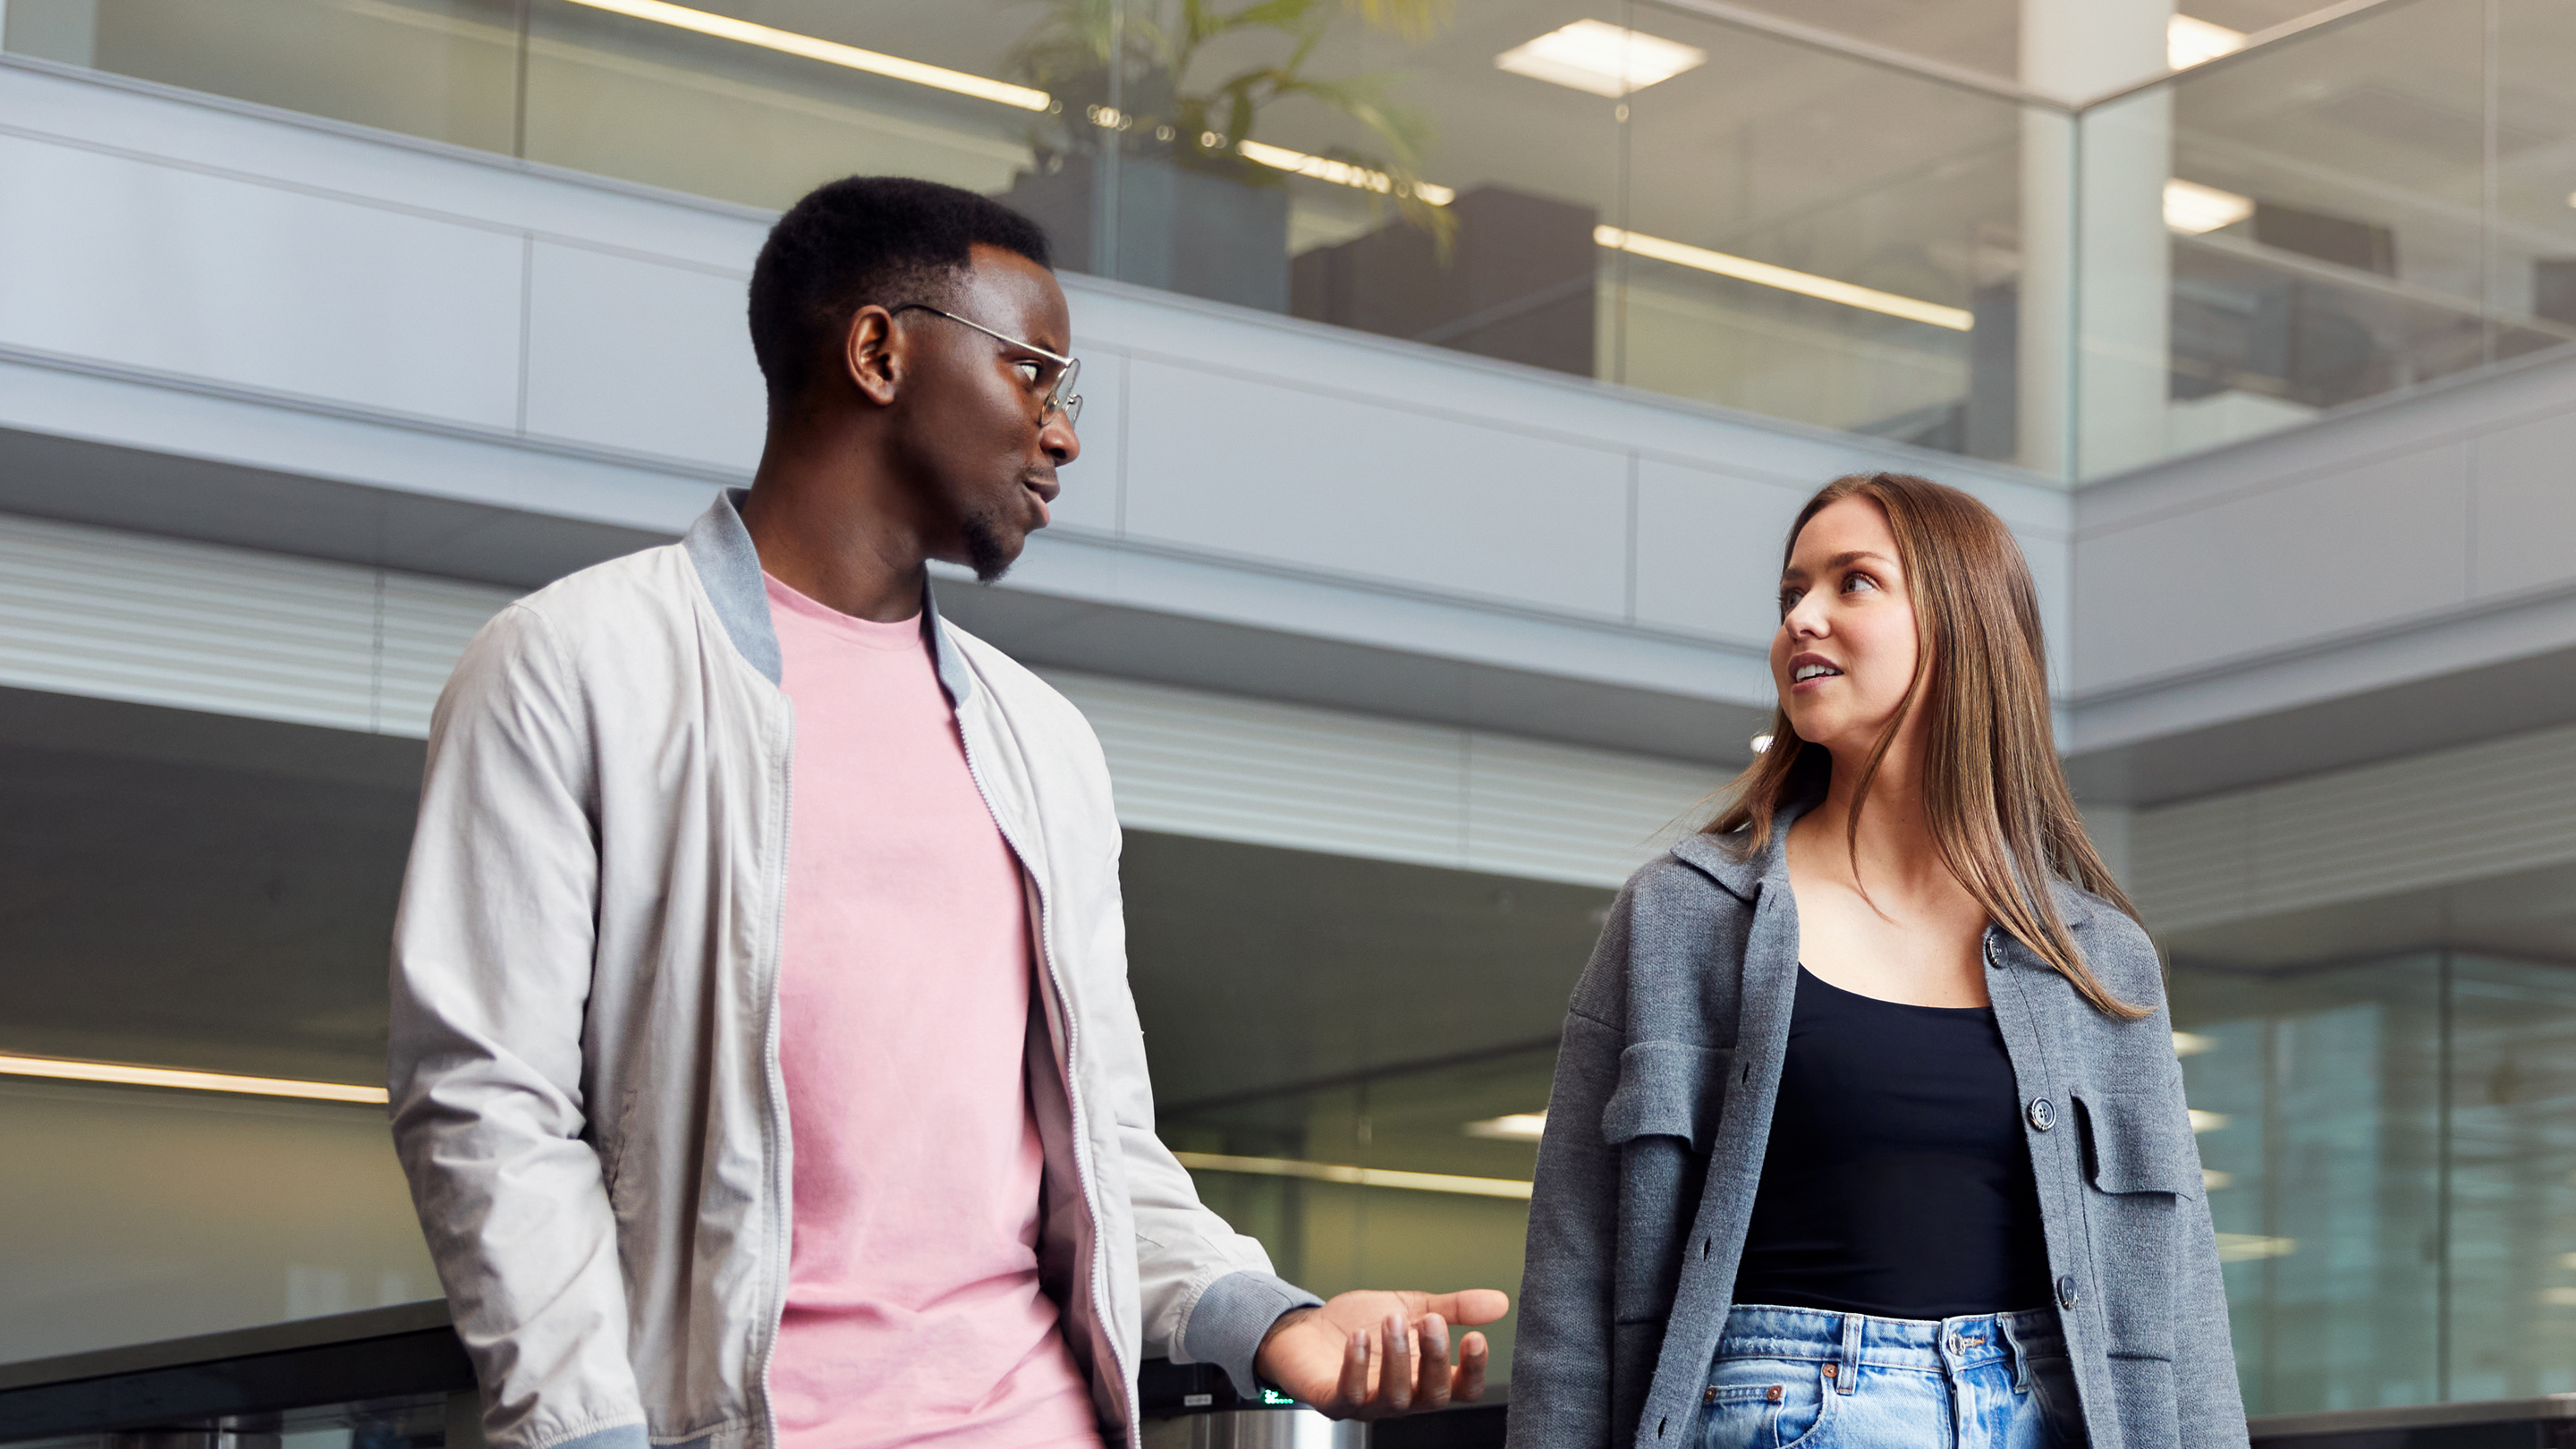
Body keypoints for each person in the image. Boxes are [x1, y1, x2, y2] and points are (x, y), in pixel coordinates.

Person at [387, 175, 1503, 1449]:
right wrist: (587, 1433)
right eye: (1034, 373)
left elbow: (1106, 1147)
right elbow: (487, 1105)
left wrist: (1270, 1320)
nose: (1064, 433)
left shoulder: (1046, 747)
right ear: (879, 351)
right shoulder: (572, 666)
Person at [1506, 472, 2242, 1449]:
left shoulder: (2097, 958)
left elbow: (2180, 1307)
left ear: (1962, 625)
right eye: (1789, 595)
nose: (1802, 618)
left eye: (1853, 583)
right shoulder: (1681, 918)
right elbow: (1575, 1277)